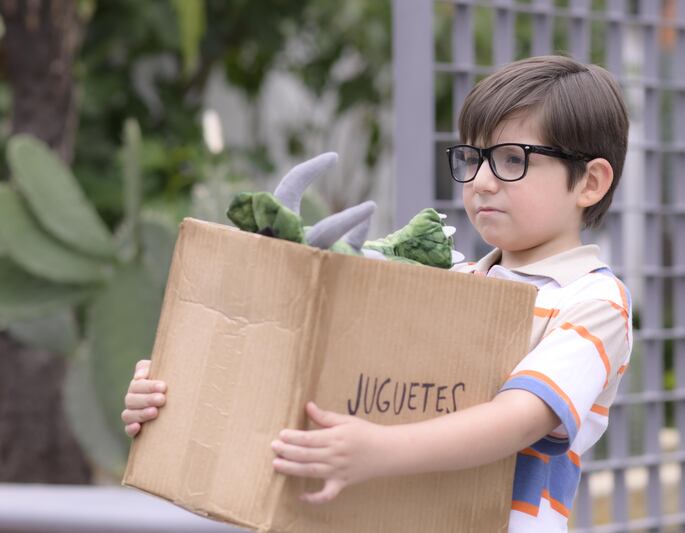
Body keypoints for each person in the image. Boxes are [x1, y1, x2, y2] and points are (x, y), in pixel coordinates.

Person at [122, 55, 632, 532]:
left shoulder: (594, 303)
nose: (480, 181)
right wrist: (178, 389)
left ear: (589, 182)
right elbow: (318, 365)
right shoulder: (450, 279)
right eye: (472, 158)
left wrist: (376, 450)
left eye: (511, 160)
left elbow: (517, 419)